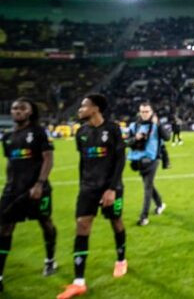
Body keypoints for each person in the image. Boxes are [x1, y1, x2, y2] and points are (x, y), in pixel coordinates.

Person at [57, 94, 127, 299]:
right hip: (88, 188)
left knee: (116, 222)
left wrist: (112, 189)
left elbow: (120, 160)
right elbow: (83, 162)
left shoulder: (113, 129)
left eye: (83, 106)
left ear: (95, 108)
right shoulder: (81, 132)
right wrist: (82, 186)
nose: (80, 110)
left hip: (111, 187)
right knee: (82, 225)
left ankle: (121, 260)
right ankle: (79, 282)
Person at [0, 98, 57, 292]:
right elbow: (10, 163)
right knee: (4, 228)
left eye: (22, 108)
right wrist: (8, 185)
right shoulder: (7, 137)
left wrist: (40, 184)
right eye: (15, 108)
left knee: (45, 222)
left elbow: (48, 159)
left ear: (30, 112)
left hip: (36, 189)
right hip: (13, 190)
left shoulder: (38, 133)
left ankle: (50, 260)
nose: (17, 111)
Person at [127, 102, 166, 226]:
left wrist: (158, 124)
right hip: (138, 161)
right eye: (142, 111)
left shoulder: (156, 125)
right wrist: (135, 138)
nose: (144, 114)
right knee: (148, 185)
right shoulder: (134, 126)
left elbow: (167, 137)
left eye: (147, 111)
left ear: (152, 112)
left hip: (153, 160)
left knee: (147, 187)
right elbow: (127, 142)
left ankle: (144, 217)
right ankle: (160, 204)